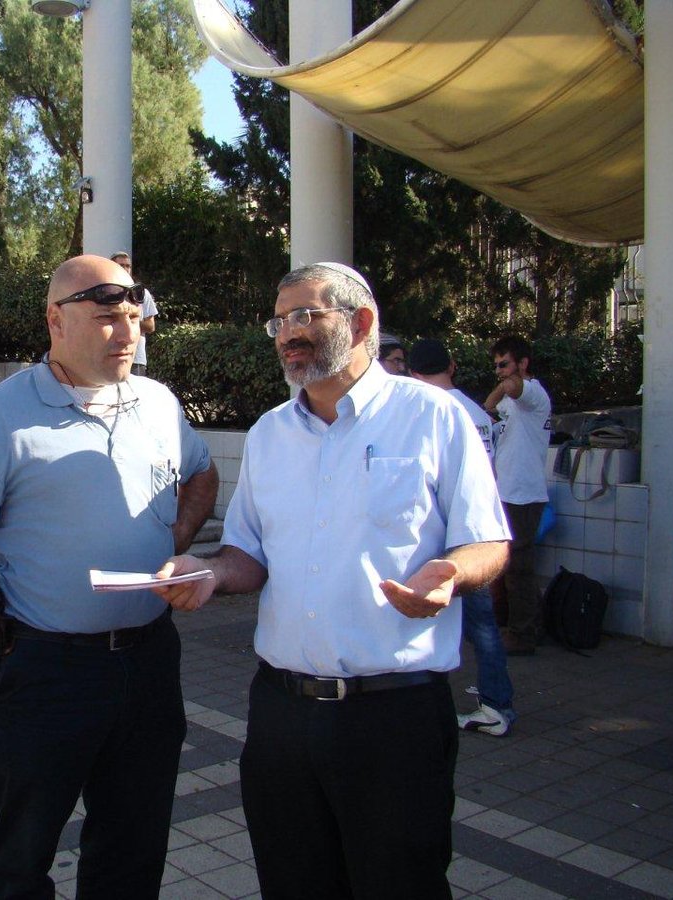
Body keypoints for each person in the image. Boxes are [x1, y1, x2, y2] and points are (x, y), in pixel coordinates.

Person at [153, 262, 509, 899]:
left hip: (394, 716)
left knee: (402, 885)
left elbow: (488, 540)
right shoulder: (268, 434)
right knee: (293, 885)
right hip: (281, 716)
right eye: (279, 320)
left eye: (306, 316)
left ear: (362, 322)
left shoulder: (433, 417)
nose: (288, 333)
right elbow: (249, 554)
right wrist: (208, 570)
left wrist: (450, 574)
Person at [0, 254, 218, 899]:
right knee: (24, 854)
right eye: (109, 318)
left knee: (134, 848)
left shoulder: (158, 402)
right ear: (56, 320)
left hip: (147, 666)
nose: (128, 334)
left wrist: (176, 539)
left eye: (135, 318)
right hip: (45, 673)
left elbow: (201, 472)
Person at [409, 337, 515, 736]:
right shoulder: (477, 411)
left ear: (415, 373)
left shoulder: (434, 413)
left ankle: (495, 702)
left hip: (454, 537)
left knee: (476, 624)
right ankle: (494, 696)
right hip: (484, 529)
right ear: (451, 365)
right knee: (482, 624)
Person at [485, 335, 552, 657]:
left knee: (519, 568)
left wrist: (496, 394)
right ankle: (519, 625)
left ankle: (524, 634)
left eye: (504, 364)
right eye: (496, 365)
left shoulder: (533, 393)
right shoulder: (513, 402)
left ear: (523, 364)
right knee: (507, 566)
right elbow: (495, 403)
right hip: (508, 491)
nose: (499, 371)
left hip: (524, 494)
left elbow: (509, 390)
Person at [111, 251, 157, 376]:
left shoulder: (142, 293)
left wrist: (129, 321)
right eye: (121, 265)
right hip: (111, 354)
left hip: (136, 358)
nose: (126, 269)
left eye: (128, 266)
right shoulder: (105, 294)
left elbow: (150, 326)